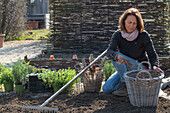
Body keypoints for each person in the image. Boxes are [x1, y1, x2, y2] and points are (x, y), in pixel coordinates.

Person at [102, 8, 164, 96]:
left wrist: (154, 66)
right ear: (124, 22)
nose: (131, 25)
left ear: (138, 24)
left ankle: (125, 86)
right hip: (125, 68)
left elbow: (152, 54)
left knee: (117, 54)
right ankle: (131, 85)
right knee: (106, 88)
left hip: (139, 67)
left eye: (134, 23)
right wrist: (116, 57)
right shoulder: (118, 35)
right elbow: (109, 51)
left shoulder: (143, 35)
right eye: (129, 22)